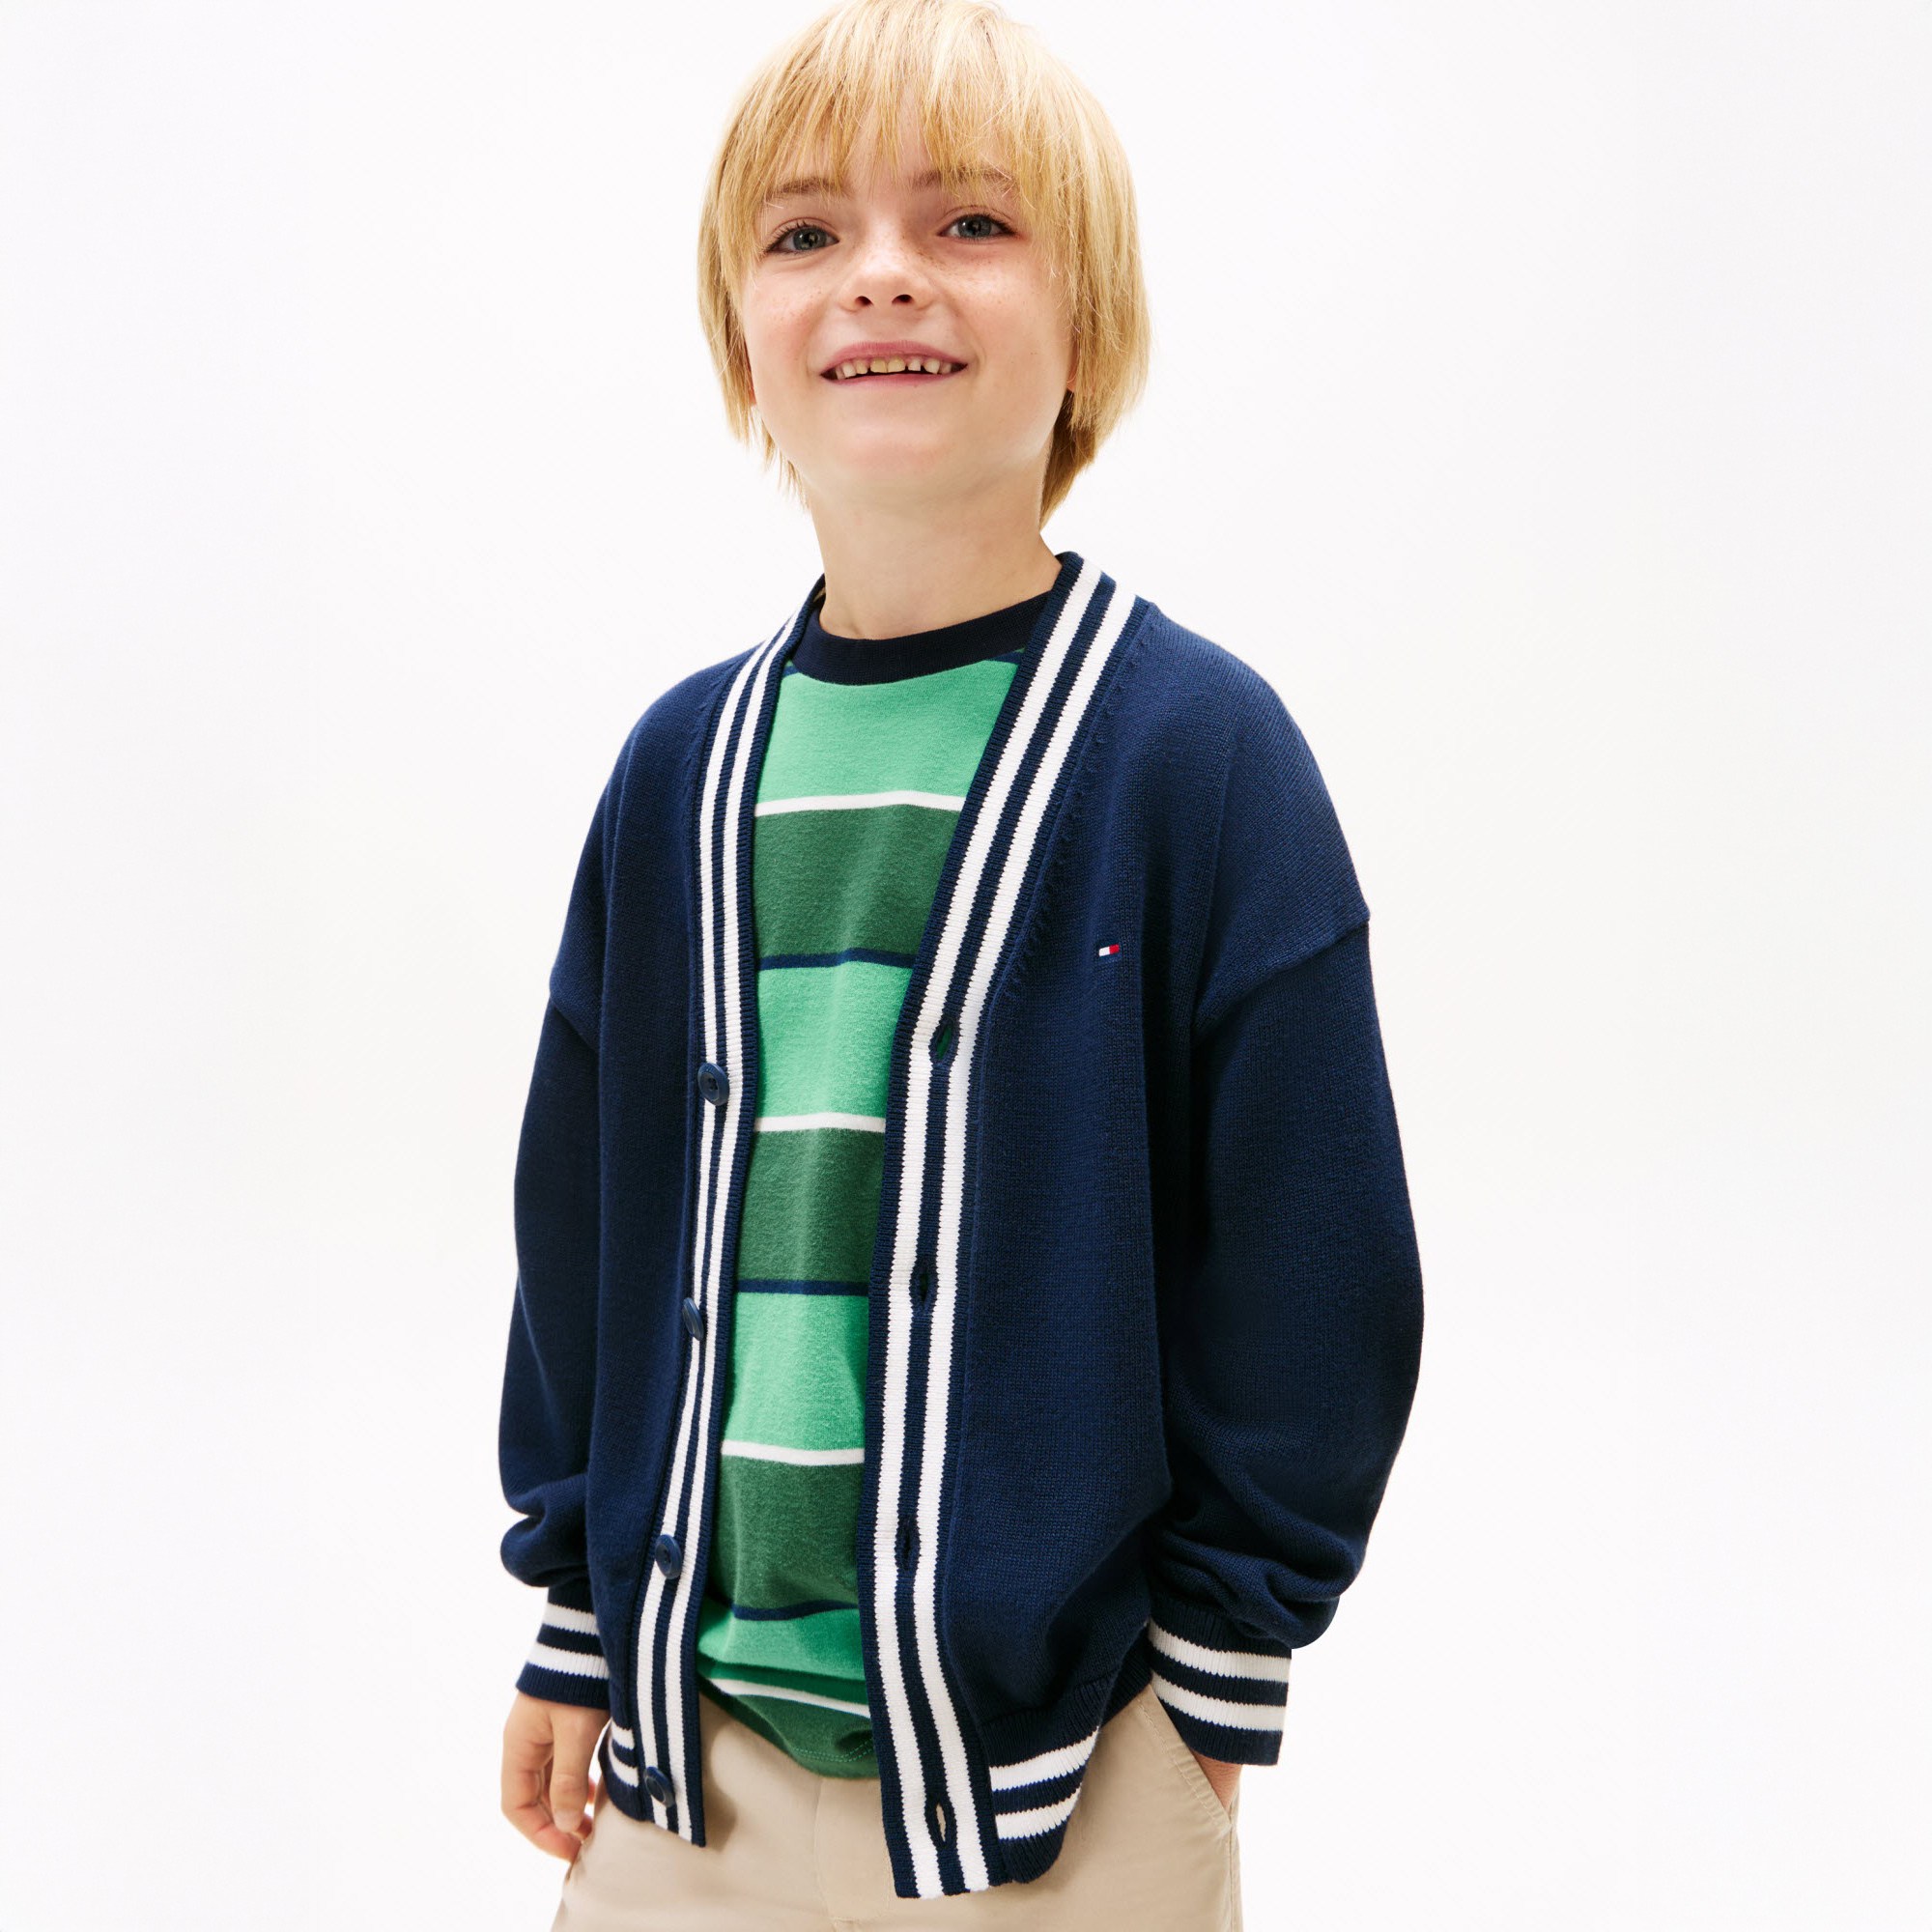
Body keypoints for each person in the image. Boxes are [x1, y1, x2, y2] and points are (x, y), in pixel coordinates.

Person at [496, 0, 1425, 1923]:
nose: (882, 274)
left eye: (971, 223)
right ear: (743, 341)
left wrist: (1219, 1671)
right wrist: (578, 1613)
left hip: (1066, 1781)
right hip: (686, 1775)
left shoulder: (1196, 757)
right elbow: (586, 1222)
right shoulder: (678, 772)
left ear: (1088, 333)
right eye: (806, 231)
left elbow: (1316, 1257)